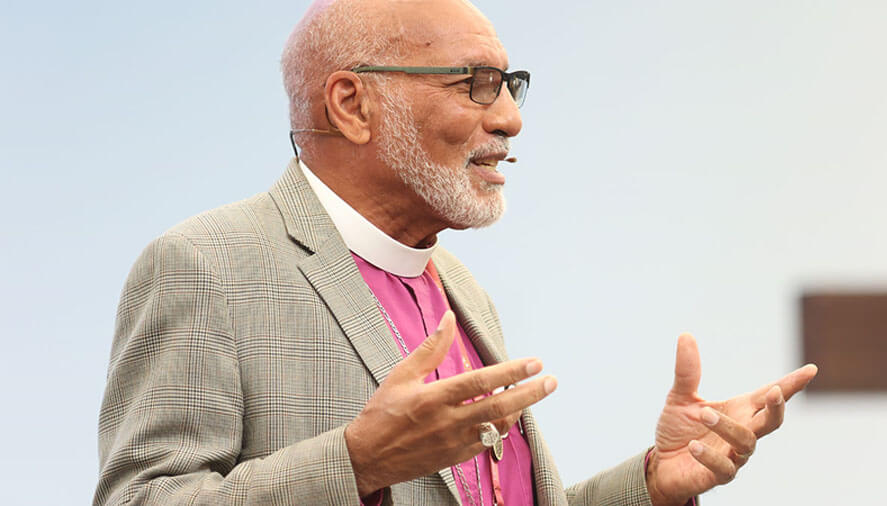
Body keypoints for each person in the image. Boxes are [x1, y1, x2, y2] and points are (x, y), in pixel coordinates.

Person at [94, 0, 818, 504]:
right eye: (476, 85)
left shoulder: (459, 286)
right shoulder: (206, 265)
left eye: (510, 86)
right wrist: (357, 464)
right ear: (351, 105)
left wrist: (656, 483)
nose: (509, 118)